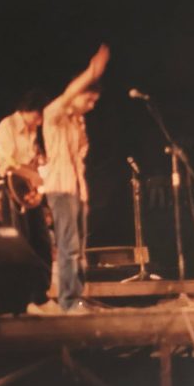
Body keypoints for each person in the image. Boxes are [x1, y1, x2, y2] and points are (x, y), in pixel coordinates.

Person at [35, 44, 110, 315]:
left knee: (80, 249)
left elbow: (80, 161)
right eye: (88, 100)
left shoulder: (79, 123)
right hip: (60, 188)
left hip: (77, 189)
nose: (90, 106)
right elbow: (69, 95)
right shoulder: (54, 114)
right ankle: (68, 300)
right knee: (69, 247)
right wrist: (91, 73)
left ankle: (78, 297)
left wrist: (85, 197)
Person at [0, 89, 52, 305]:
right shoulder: (6, 127)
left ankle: (41, 296)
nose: (39, 123)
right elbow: (6, 164)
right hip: (12, 189)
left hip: (30, 190)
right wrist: (33, 175)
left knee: (42, 242)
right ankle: (21, 299)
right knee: (21, 243)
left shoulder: (32, 132)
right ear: (29, 110)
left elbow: (32, 160)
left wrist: (42, 167)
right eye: (38, 117)